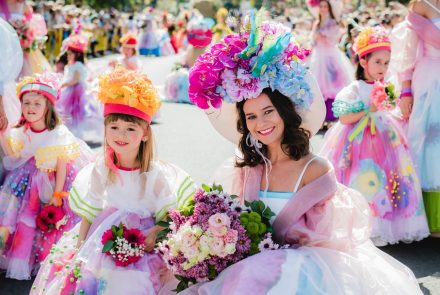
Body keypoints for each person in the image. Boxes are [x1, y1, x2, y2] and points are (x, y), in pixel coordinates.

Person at [181, 15, 422, 294]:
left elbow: (324, 241)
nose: (261, 123)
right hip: (251, 271)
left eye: (269, 111)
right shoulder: (246, 167)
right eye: (251, 116)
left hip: (302, 272)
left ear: (285, 113)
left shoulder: (314, 169)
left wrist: (270, 252)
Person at [30, 67, 196, 294]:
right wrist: (79, 250)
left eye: (130, 129)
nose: (121, 135)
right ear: (105, 129)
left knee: (129, 283)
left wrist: (155, 233)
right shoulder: (101, 169)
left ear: (145, 133)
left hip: (142, 245)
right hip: (102, 239)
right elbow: (89, 214)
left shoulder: (154, 175)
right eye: (114, 127)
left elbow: (168, 216)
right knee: (92, 278)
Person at [320, 26, 429, 246]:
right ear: (363, 61)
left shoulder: (387, 86)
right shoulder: (354, 88)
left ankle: (387, 224)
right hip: (358, 142)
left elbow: (390, 108)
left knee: (388, 179)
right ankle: (362, 225)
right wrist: (368, 108)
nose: (383, 67)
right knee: (362, 178)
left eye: (387, 63)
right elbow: (344, 118)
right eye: (378, 62)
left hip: (385, 137)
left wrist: (389, 107)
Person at [0, 72, 93, 280]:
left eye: (36, 103)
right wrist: (3, 134)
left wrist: (58, 193)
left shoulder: (56, 132)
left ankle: (46, 259)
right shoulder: (22, 130)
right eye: (26, 103)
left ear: (48, 106)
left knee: (49, 221)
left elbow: (62, 162)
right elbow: (15, 155)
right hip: (26, 178)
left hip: (51, 180)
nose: (31, 108)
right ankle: (20, 257)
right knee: (24, 215)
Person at [392, 0, 440, 237]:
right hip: (429, 83)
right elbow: (407, 54)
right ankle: (430, 219)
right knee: (429, 146)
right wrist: (405, 91)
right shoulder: (421, 5)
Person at [308, 0, 354, 126]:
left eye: (325, 6)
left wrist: (321, 36)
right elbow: (312, 41)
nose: (323, 9)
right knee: (319, 87)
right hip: (318, 58)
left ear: (329, 8)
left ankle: (334, 116)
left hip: (330, 58)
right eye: (321, 6)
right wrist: (312, 41)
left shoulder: (333, 23)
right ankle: (321, 118)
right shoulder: (317, 23)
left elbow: (333, 40)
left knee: (333, 86)